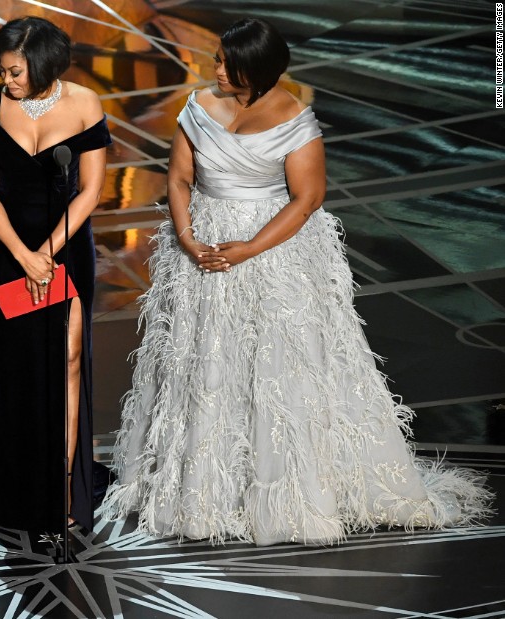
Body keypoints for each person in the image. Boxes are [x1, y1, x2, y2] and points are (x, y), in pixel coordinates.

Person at [100, 18, 492, 545]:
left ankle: (281, 493)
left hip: (271, 252)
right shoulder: (197, 107)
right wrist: (190, 239)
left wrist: (248, 249)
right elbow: (177, 178)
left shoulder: (296, 121)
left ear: (252, 70)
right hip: (202, 250)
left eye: (223, 62)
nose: (213, 67)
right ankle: (206, 491)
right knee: (205, 361)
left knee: (274, 365)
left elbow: (306, 200)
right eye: (215, 58)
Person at [0, 16, 112, 536]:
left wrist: (47, 253)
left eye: (14, 72)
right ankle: (24, 492)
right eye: (2, 72)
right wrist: (24, 256)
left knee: (69, 359)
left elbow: (91, 191)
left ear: (43, 64)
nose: (6, 81)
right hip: (10, 249)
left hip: (67, 246)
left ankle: (66, 485)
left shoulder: (84, 104)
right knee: (23, 367)